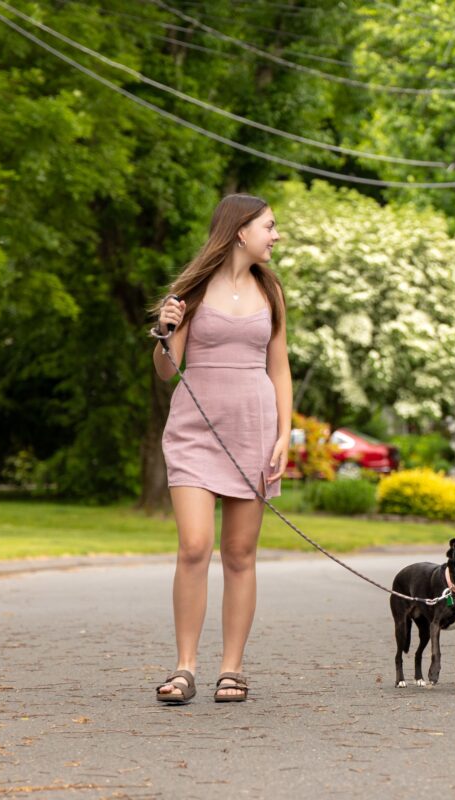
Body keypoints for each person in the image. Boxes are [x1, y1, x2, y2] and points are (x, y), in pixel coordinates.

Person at [151, 194, 291, 704]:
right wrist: (164, 334)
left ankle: (232, 668)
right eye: (269, 227)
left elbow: (279, 368)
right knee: (193, 546)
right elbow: (168, 369)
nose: (275, 235)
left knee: (239, 553)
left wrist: (283, 434)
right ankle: (185, 666)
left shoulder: (270, 292)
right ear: (240, 231)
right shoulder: (189, 291)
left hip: (254, 429)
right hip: (194, 429)